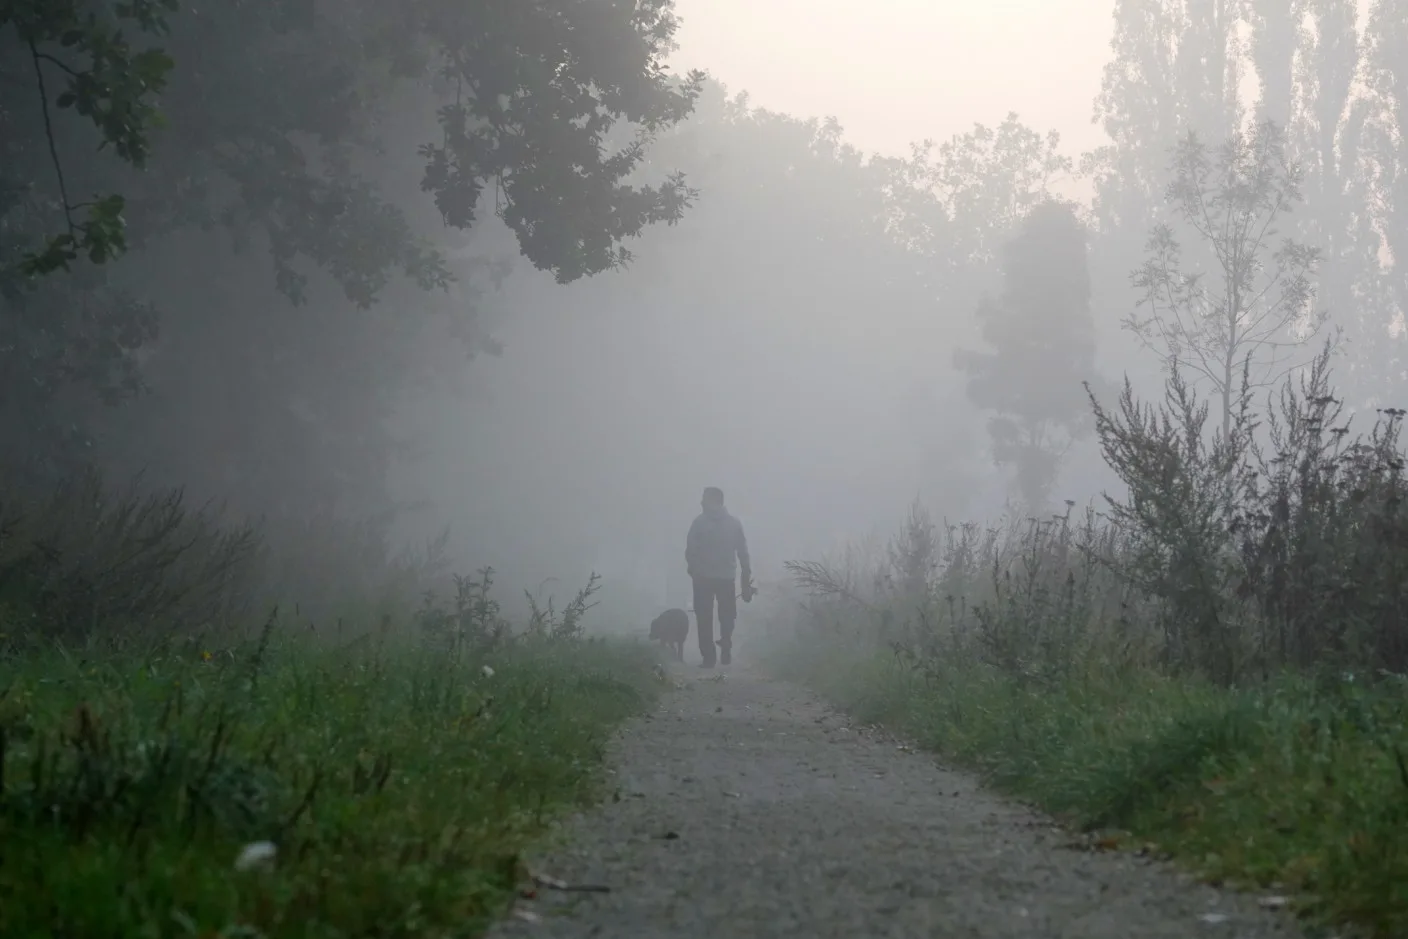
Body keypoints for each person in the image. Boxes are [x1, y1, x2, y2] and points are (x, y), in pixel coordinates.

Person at [685, 486, 754, 667]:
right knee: (727, 615)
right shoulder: (734, 523)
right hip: (726, 577)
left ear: (714, 501)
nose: (701, 502)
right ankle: (726, 644)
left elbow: (690, 550)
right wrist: (745, 575)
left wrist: (692, 568)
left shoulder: (699, 523)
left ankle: (708, 657)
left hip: (703, 578)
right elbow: (743, 552)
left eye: (704, 499)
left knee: (704, 616)